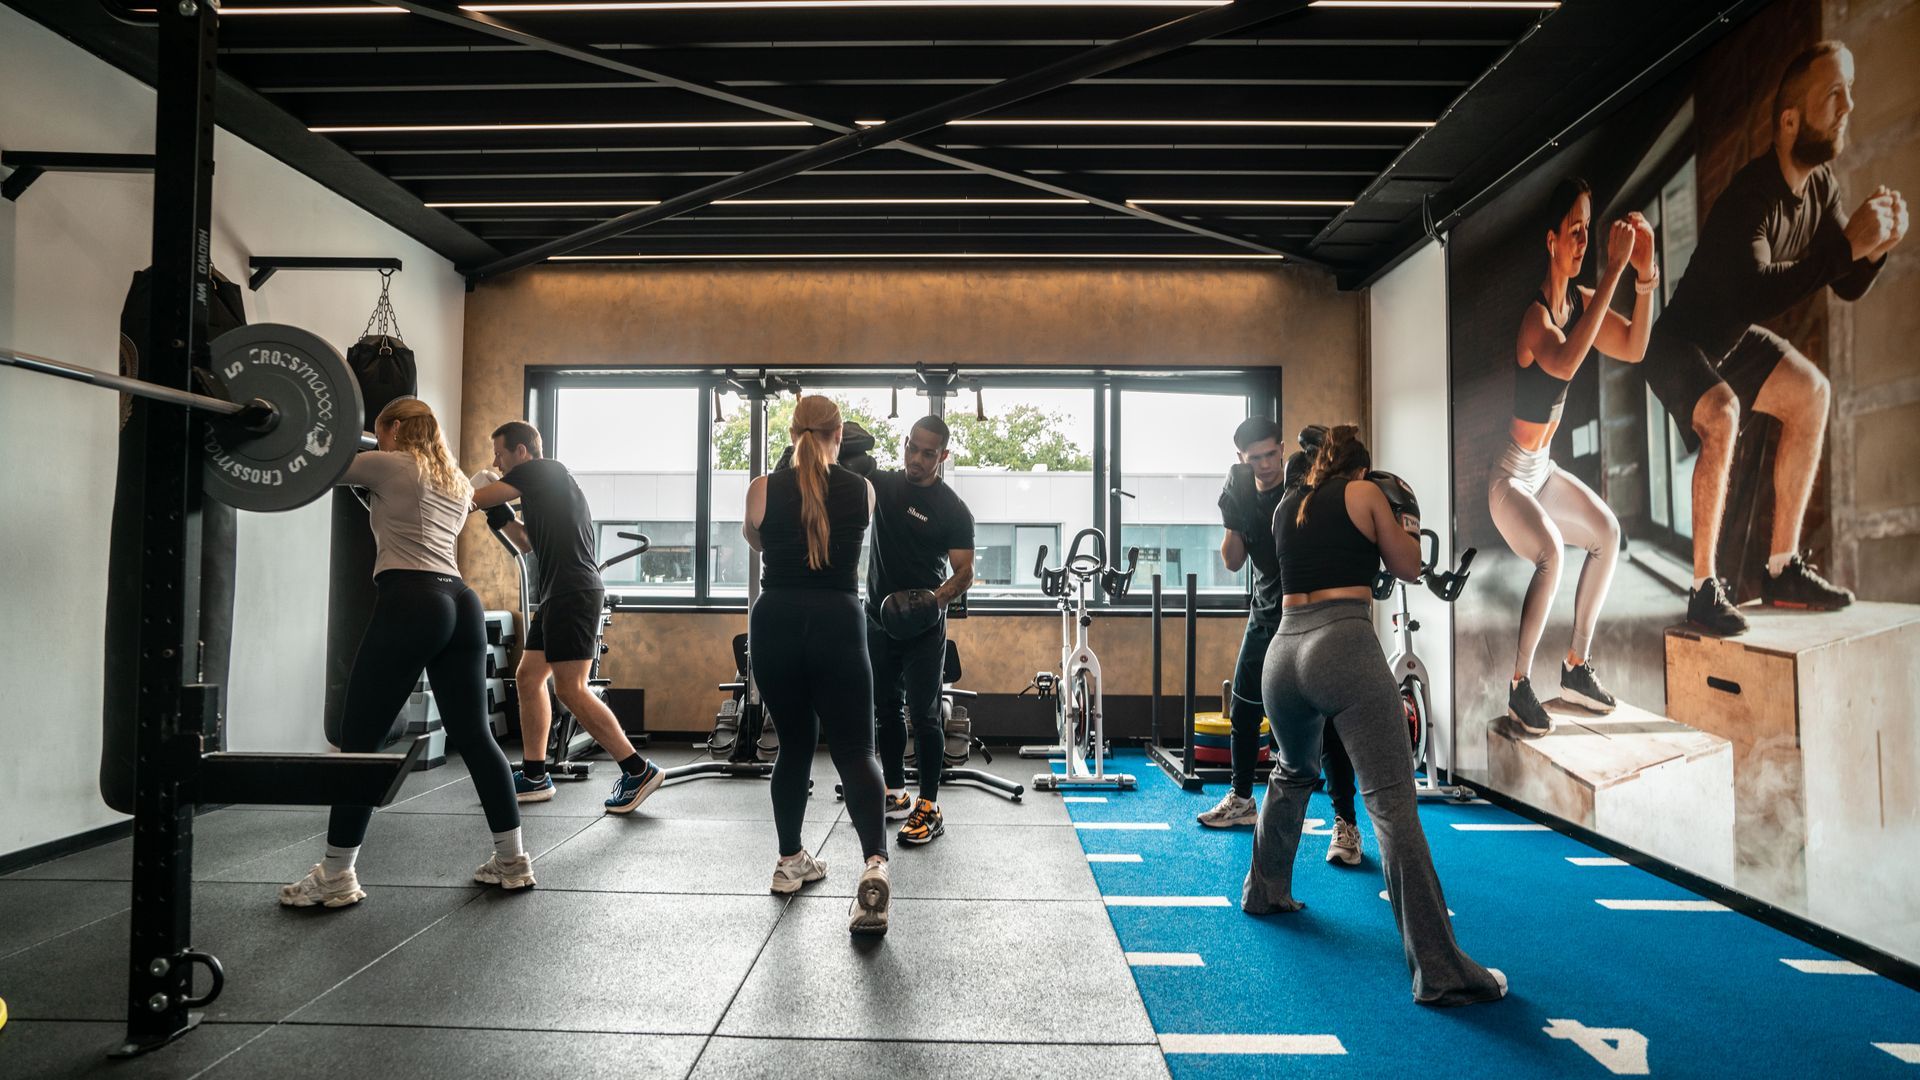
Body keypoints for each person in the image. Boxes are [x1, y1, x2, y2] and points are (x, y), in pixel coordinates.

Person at [1643, 40, 1905, 636]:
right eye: (1834, 95)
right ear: (1790, 121)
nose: (1849, 106)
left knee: (1812, 391)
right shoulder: (1750, 197)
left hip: (1733, 339)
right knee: (1724, 412)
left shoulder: (1821, 190)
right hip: (1679, 343)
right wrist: (1847, 249)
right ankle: (1702, 588)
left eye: (1850, 92)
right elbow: (1760, 292)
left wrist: (1877, 249)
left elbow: (1844, 283)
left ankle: (1782, 568)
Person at [1243, 425, 1506, 1007]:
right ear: (1360, 469)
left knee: (1292, 772)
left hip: (1282, 654)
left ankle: (1264, 890)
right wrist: (1403, 522)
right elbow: (1408, 566)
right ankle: (1438, 970)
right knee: (1390, 803)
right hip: (1343, 644)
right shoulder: (1364, 494)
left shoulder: (1289, 505)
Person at [281, 398, 530, 907]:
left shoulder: (391, 463)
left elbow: (318, 468)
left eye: (382, 432)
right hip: (461, 602)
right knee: (477, 737)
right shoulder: (459, 482)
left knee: (358, 745)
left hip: (411, 600)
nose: (382, 440)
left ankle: (335, 875)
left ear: (392, 429)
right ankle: (512, 861)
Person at [1490, 179, 1653, 734]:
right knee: (1552, 552)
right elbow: (1565, 362)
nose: (1584, 241)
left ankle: (1576, 666)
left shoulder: (1581, 301)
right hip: (1511, 479)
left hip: (1545, 470)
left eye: (1589, 230)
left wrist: (1645, 276)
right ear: (1552, 239)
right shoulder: (1536, 319)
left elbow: (1632, 347)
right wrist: (1612, 272)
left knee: (1607, 532)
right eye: (1575, 231)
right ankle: (1518, 685)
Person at [744, 395, 893, 935]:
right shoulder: (864, 490)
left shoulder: (762, 488)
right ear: (838, 436)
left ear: (790, 434)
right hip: (837, 619)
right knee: (857, 750)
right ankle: (875, 864)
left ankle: (789, 862)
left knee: (794, 745)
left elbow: (756, 540)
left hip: (777, 618)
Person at [472, 421, 663, 813]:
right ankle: (535, 773)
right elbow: (526, 541)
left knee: (570, 688)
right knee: (527, 677)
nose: (496, 461)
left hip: (574, 592)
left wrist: (471, 493)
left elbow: (476, 497)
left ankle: (636, 769)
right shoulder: (543, 490)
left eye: (500, 453)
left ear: (522, 452)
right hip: (558, 593)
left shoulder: (545, 470)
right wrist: (498, 514)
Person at [1200, 420, 1364, 867]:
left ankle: (1346, 824)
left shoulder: (1301, 472)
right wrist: (1233, 517)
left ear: (1281, 449)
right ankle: (1240, 798)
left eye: (1270, 454)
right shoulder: (1238, 486)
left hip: (1308, 610)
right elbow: (1233, 562)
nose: (1265, 465)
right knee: (1244, 705)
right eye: (1254, 459)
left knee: (1325, 718)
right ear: (1241, 460)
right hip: (1266, 607)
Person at [867, 416, 976, 846]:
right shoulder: (883, 484)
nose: (916, 458)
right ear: (905, 442)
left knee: (925, 714)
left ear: (943, 456)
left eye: (928, 453)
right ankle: (895, 793)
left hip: (924, 627)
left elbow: (964, 572)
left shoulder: (952, 509)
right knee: (885, 708)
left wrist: (935, 598)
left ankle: (930, 808)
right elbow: (837, 475)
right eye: (912, 447)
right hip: (877, 618)